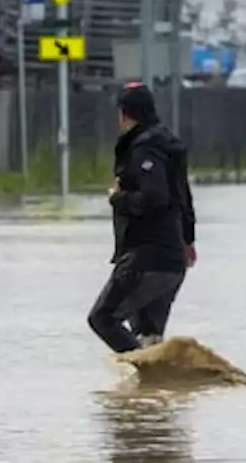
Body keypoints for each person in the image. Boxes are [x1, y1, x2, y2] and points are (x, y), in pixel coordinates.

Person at [87, 82, 197, 353]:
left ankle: (148, 375)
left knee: (102, 318)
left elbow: (154, 199)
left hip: (145, 259)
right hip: (172, 262)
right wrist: (187, 240)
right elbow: (183, 197)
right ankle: (155, 391)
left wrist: (117, 197)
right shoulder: (167, 146)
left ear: (125, 114)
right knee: (148, 335)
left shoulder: (143, 149)